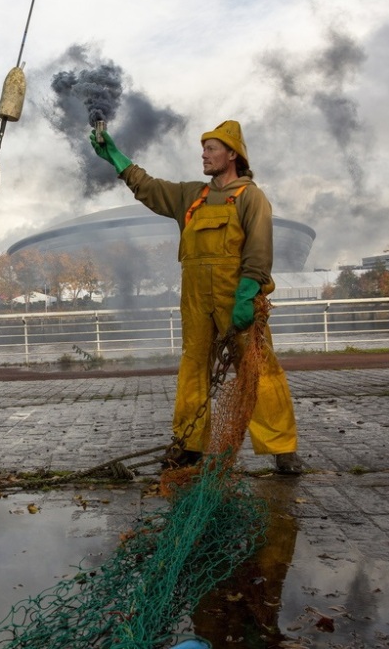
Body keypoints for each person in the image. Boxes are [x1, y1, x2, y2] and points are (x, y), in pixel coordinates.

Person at [89, 120, 302, 475]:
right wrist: (116, 156)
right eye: (203, 148)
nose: (203, 154)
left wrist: (247, 294)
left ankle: (283, 449)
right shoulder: (191, 196)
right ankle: (188, 445)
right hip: (196, 299)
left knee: (259, 370)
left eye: (211, 148)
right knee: (193, 368)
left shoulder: (251, 197)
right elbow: (149, 187)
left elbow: (259, 249)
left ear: (232, 155)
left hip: (237, 297)